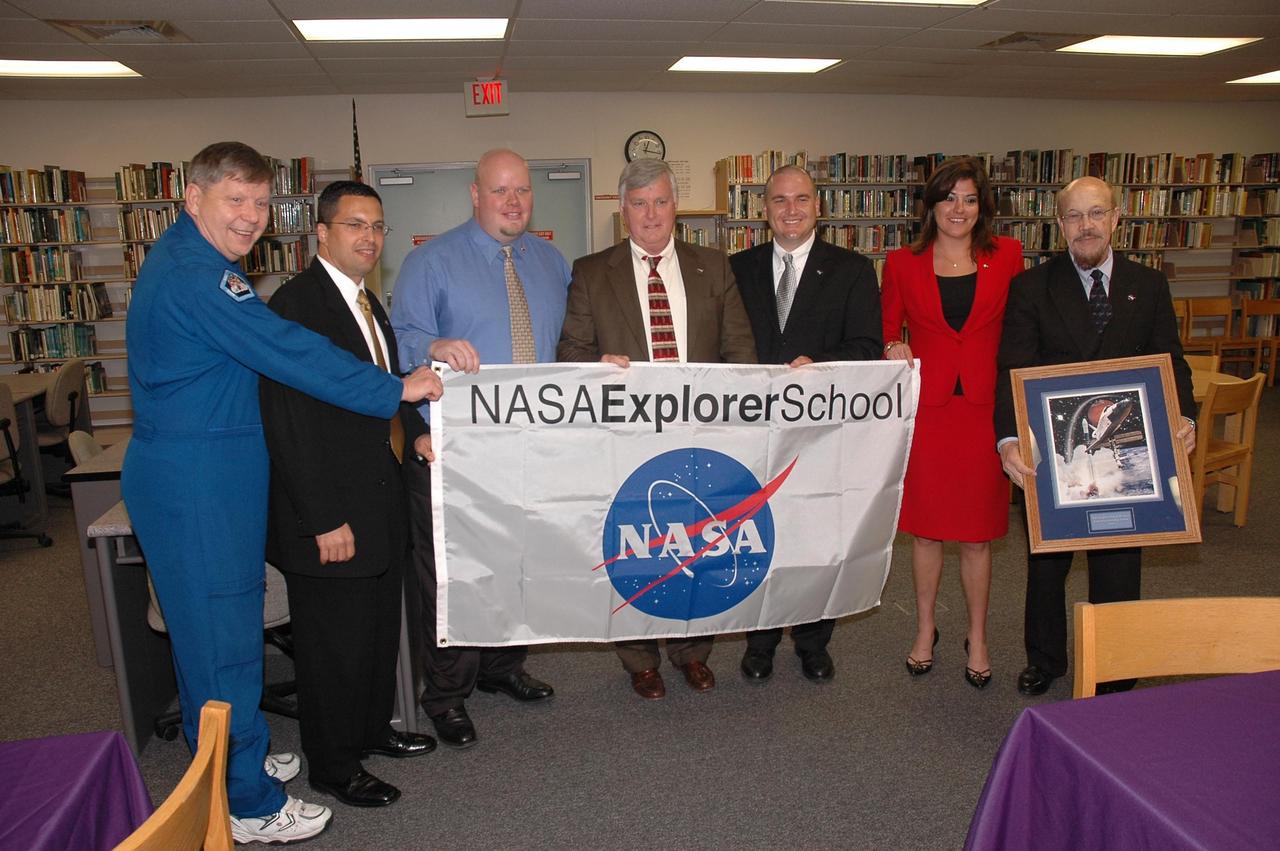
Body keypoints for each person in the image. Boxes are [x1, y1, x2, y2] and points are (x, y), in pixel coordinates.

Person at [122, 142, 442, 845]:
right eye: (234, 200)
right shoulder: (197, 276)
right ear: (192, 198)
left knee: (224, 636)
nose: (251, 216)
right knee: (222, 646)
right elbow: (289, 356)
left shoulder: (204, 265)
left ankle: (239, 756)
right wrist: (396, 388)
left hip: (215, 475)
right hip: (196, 483)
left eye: (262, 202)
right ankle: (248, 802)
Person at [259, 181, 438, 810]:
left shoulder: (367, 303)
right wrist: (323, 518)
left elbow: (387, 387)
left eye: (378, 226)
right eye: (354, 224)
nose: (369, 237)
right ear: (323, 234)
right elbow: (289, 422)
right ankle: (334, 766)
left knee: (372, 632)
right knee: (333, 646)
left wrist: (415, 436)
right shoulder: (296, 307)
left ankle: (367, 732)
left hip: (377, 496)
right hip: (330, 514)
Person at [558, 158, 757, 700]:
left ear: (677, 208)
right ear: (623, 211)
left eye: (661, 202)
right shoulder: (592, 271)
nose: (651, 214)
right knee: (637, 547)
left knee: (700, 545)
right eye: (639, 203)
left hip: (701, 437)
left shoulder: (713, 267)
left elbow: (740, 352)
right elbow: (569, 354)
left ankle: (692, 651)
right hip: (628, 439)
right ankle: (640, 659)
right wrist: (599, 363)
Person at [391, 148, 568, 748]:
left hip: (531, 449)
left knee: (518, 562)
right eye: (500, 191)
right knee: (451, 575)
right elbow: (398, 343)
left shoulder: (551, 261)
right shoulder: (429, 262)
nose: (513, 201)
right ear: (475, 195)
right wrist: (434, 344)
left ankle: (502, 667)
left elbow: (567, 348)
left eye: (522, 190)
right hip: (453, 453)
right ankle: (445, 693)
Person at [995, 175, 1196, 697]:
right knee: (1046, 566)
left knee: (1119, 567)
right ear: (1059, 224)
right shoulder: (1031, 287)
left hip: (1128, 456)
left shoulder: (1148, 284)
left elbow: (1171, 361)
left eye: (1096, 214)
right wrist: (1007, 440)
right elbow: (1012, 369)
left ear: (1116, 219)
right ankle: (1045, 659)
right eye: (1074, 216)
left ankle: (1115, 666)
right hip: (1055, 454)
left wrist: (1186, 420)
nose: (1086, 226)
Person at [730, 164, 882, 683]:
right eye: (778, 200)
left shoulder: (853, 270)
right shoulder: (737, 268)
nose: (790, 210)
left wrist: (818, 364)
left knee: (817, 536)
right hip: (754, 431)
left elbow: (866, 347)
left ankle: (814, 641)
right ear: (763, 209)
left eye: (800, 199)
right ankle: (760, 641)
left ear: (818, 206)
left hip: (821, 431)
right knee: (759, 535)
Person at [882, 156, 1024, 689]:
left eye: (968, 198)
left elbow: (1021, 326)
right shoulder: (902, 262)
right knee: (925, 534)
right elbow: (885, 325)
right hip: (930, 414)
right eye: (948, 198)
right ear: (932, 206)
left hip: (986, 413)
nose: (957, 209)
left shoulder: (1008, 255)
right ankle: (924, 629)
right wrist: (893, 343)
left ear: (980, 206)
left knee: (979, 538)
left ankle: (979, 636)